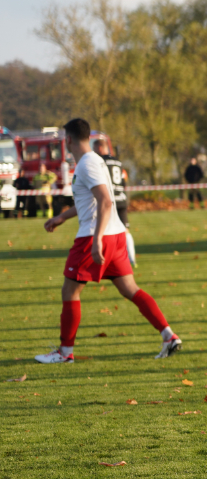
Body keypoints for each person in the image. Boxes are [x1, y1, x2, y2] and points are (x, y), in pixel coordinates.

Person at [35, 118, 181, 364]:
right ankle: (168, 335)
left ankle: (64, 352)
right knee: (130, 289)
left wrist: (96, 240)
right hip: (116, 234)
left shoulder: (86, 165)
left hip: (96, 235)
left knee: (70, 290)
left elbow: (105, 201)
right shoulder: (95, 161)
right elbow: (90, 202)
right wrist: (62, 217)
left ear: (68, 139)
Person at [92, 140, 133, 265]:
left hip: (110, 200)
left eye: (94, 148)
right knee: (125, 230)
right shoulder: (118, 162)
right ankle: (132, 259)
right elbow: (123, 182)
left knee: (105, 229)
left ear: (99, 148)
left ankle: (107, 258)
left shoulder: (99, 163)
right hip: (121, 199)